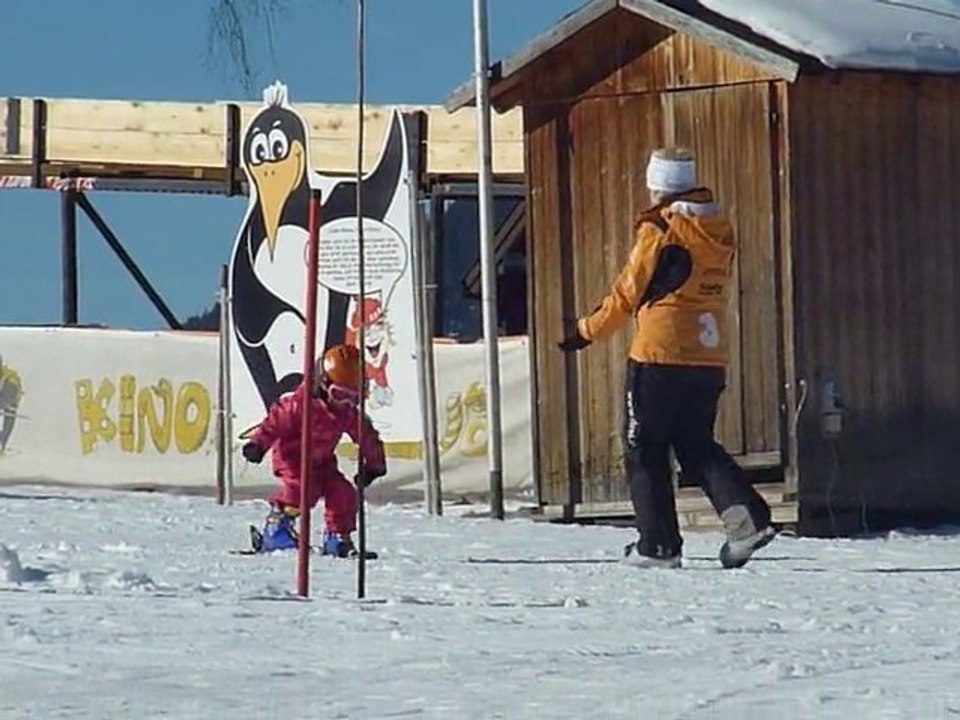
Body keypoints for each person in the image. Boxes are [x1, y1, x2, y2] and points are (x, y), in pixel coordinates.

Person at [558, 147, 776, 569]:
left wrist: (585, 331)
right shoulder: (718, 227)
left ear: (657, 184)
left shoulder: (661, 228)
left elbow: (628, 291)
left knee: (645, 445)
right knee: (696, 444)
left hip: (659, 354)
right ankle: (746, 520)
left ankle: (657, 545)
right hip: (708, 354)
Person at [242, 343, 386, 556]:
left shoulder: (346, 413)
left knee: (344, 492)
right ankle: (276, 529)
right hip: (292, 459)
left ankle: (337, 537)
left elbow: (367, 436)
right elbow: (275, 421)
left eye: (353, 397)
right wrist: (258, 444)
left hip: (323, 463)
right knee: (301, 490)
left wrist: (374, 465)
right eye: (339, 395)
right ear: (323, 383)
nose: (345, 403)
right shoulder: (299, 405)